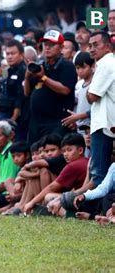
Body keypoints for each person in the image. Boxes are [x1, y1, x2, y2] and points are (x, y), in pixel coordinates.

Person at [24, 30, 77, 143]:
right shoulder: (40, 65)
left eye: (52, 45)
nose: (47, 48)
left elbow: (65, 90)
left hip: (56, 122)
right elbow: (27, 93)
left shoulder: (67, 65)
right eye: (45, 44)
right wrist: (27, 77)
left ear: (61, 47)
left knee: (52, 154)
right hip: (36, 122)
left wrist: (43, 78)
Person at [23, 133, 89, 214]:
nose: (65, 154)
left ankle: (67, 214)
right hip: (84, 198)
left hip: (82, 200)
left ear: (80, 150)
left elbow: (52, 187)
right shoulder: (86, 161)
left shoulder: (73, 165)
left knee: (49, 196)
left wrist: (32, 202)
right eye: (64, 151)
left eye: (69, 150)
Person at [86, 31, 115, 187]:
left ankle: (96, 211)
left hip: (104, 124)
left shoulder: (105, 64)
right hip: (108, 123)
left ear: (108, 46)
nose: (91, 49)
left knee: (99, 173)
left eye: (96, 45)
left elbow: (92, 97)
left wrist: (89, 92)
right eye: (89, 45)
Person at [61, 52, 93, 133]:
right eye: (78, 68)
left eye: (83, 67)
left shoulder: (95, 84)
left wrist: (79, 116)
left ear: (92, 66)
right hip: (80, 129)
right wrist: (76, 122)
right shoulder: (79, 85)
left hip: (92, 127)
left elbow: (98, 109)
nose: (80, 71)